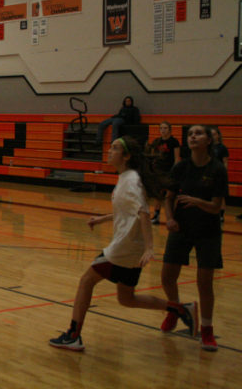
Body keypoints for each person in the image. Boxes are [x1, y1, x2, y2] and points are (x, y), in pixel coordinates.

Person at [49, 136, 197, 352]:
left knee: (86, 281)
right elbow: (128, 210)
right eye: (110, 147)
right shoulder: (128, 177)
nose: (110, 151)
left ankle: (73, 334)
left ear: (126, 156)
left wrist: (149, 247)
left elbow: (143, 212)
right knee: (126, 298)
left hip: (124, 248)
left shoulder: (130, 180)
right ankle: (182, 309)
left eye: (115, 148)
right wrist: (102, 219)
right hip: (131, 249)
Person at [159, 124, 228, 351]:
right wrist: (169, 218)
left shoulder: (217, 169)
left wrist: (196, 201)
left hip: (208, 231)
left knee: (204, 282)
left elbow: (216, 207)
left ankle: (206, 329)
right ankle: (176, 309)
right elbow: (169, 198)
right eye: (190, 134)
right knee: (167, 276)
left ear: (209, 140)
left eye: (198, 133)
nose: (193, 137)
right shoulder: (180, 167)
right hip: (182, 228)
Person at [147, 121, 180, 224]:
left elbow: (177, 158)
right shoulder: (156, 141)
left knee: (170, 195)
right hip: (158, 171)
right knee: (158, 194)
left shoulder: (174, 142)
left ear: (169, 130)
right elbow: (152, 157)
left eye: (165, 128)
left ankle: (173, 216)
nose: (163, 130)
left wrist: (174, 171)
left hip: (169, 171)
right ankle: (156, 215)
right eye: (161, 128)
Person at [210, 127, 229, 222]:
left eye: (214, 134)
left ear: (218, 135)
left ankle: (221, 215)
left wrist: (224, 173)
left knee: (220, 194)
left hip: (218, 173)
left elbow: (225, 162)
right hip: (209, 173)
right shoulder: (207, 146)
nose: (213, 136)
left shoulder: (222, 147)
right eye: (211, 134)